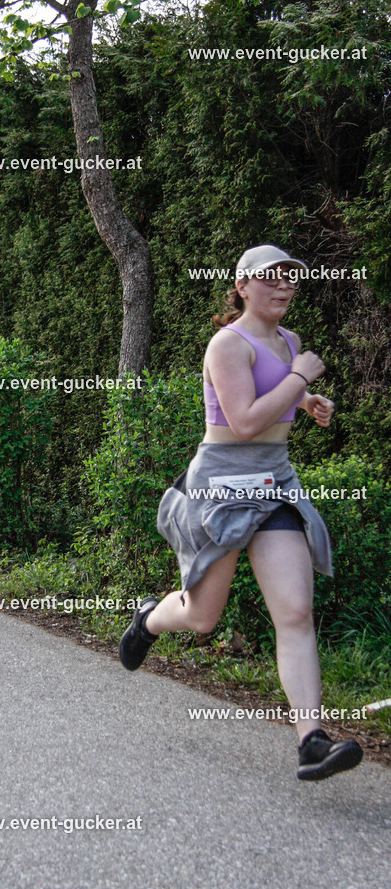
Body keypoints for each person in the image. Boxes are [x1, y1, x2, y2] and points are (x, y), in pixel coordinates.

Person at [119, 244, 363, 781]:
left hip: (275, 484)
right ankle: (150, 619)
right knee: (203, 618)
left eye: (291, 282)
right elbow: (245, 422)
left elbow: (271, 399)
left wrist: (305, 403)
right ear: (242, 286)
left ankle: (312, 741)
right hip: (222, 487)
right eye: (271, 280)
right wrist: (300, 379)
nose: (284, 289)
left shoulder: (290, 342)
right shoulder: (227, 344)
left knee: (295, 612)